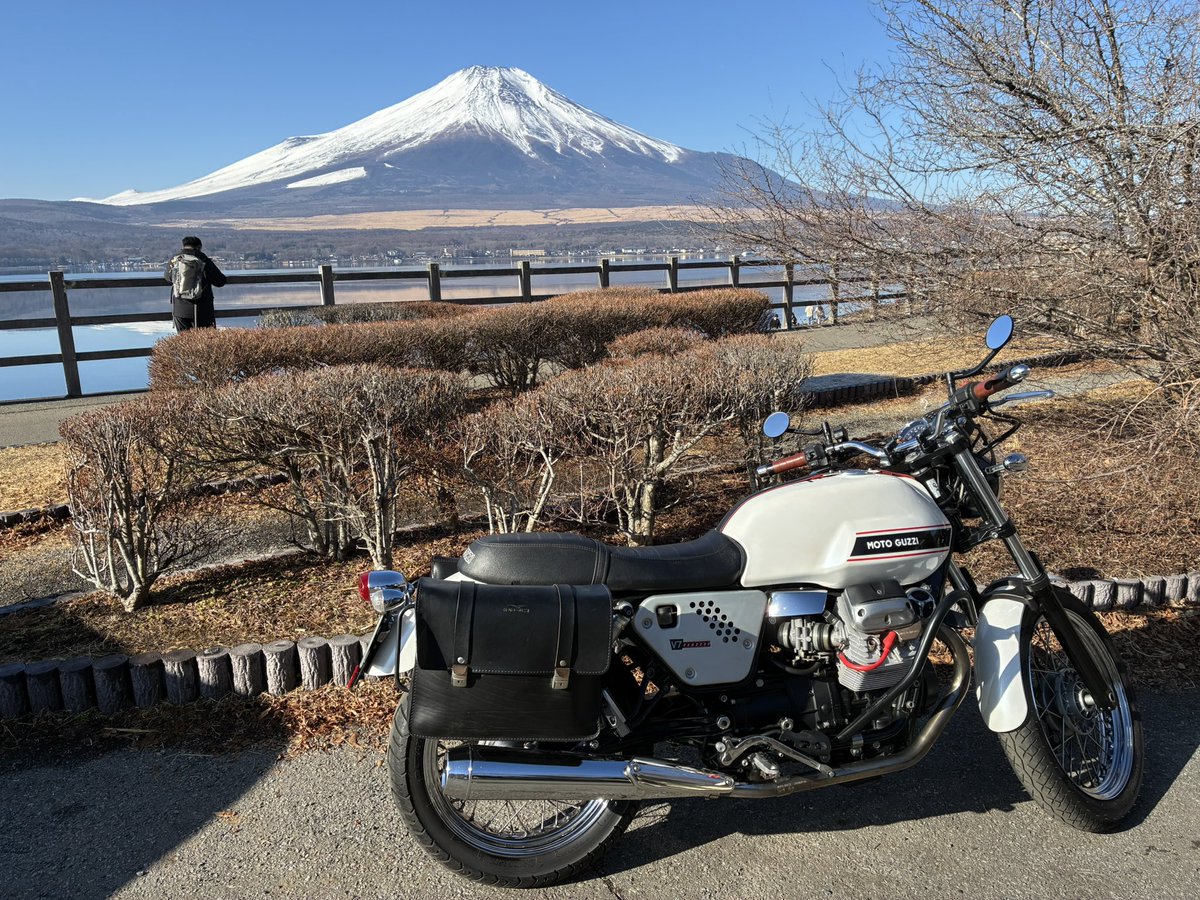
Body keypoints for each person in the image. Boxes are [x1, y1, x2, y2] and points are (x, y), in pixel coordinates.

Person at [165, 236, 227, 332]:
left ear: (183, 246)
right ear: (199, 247)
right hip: (202, 309)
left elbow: (168, 278)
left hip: (180, 309)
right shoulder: (203, 259)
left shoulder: (175, 259)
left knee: (183, 342)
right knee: (206, 342)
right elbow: (220, 281)